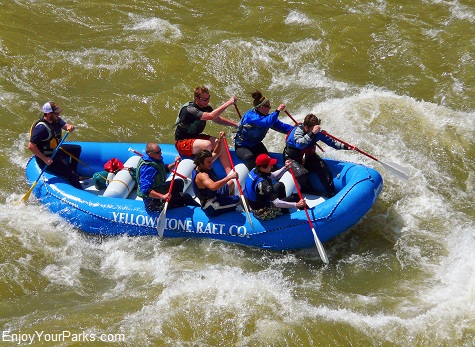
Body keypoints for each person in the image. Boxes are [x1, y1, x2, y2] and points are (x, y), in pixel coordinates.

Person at [283, 113, 351, 198]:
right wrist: (312, 133)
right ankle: (307, 190)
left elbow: (332, 142)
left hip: (308, 157)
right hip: (292, 159)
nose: (316, 131)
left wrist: (346, 147)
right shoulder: (297, 132)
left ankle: (331, 193)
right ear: (306, 127)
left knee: (322, 167)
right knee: (302, 174)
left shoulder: (317, 133)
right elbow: (300, 144)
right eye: (313, 129)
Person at [174, 86, 238, 174]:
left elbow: (218, 119)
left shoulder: (207, 108)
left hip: (195, 138)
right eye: (204, 99)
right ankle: (203, 169)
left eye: (208, 98)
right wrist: (228, 103)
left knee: (220, 142)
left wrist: (236, 125)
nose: (207, 101)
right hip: (182, 142)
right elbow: (211, 116)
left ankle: (229, 173)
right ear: (196, 99)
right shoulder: (189, 109)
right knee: (207, 145)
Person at [28, 101, 83, 190]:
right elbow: (31, 146)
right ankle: (79, 189)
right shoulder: (41, 129)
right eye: (56, 113)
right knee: (70, 174)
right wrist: (44, 159)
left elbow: (65, 126)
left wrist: (70, 127)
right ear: (49, 114)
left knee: (77, 149)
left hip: (55, 151)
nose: (59, 114)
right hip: (47, 158)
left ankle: (74, 172)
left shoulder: (56, 120)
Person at [234, 90, 293, 170]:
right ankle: (255, 175)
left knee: (269, 161)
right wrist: (277, 111)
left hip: (256, 144)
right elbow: (266, 123)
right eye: (268, 107)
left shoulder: (267, 118)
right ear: (261, 107)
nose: (270, 108)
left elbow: (282, 127)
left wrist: (296, 129)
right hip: (242, 146)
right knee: (249, 157)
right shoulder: (251, 116)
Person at [136, 143, 200, 212]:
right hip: (152, 202)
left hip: (157, 188)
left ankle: (175, 200)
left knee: (179, 182)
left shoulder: (154, 159)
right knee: (185, 197)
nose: (161, 153)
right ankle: (182, 203)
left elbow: (164, 169)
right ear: (150, 154)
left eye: (160, 150)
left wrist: (175, 163)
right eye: (158, 152)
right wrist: (163, 196)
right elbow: (146, 190)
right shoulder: (148, 168)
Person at [192, 132, 241, 217]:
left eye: (211, 161)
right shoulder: (202, 175)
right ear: (200, 163)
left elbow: (217, 153)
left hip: (215, 195)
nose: (211, 163)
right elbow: (213, 186)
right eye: (208, 162)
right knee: (240, 199)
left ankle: (230, 204)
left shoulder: (204, 164)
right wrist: (229, 176)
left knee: (231, 184)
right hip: (212, 206)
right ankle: (234, 206)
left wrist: (220, 140)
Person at [244, 154, 306, 220]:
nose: (272, 166)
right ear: (262, 167)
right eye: (270, 165)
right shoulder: (264, 184)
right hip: (263, 212)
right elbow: (277, 203)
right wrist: (296, 204)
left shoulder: (255, 170)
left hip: (259, 203)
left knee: (280, 185)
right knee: (295, 197)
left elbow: (274, 176)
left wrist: (285, 167)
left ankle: (284, 211)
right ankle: (309, 214)